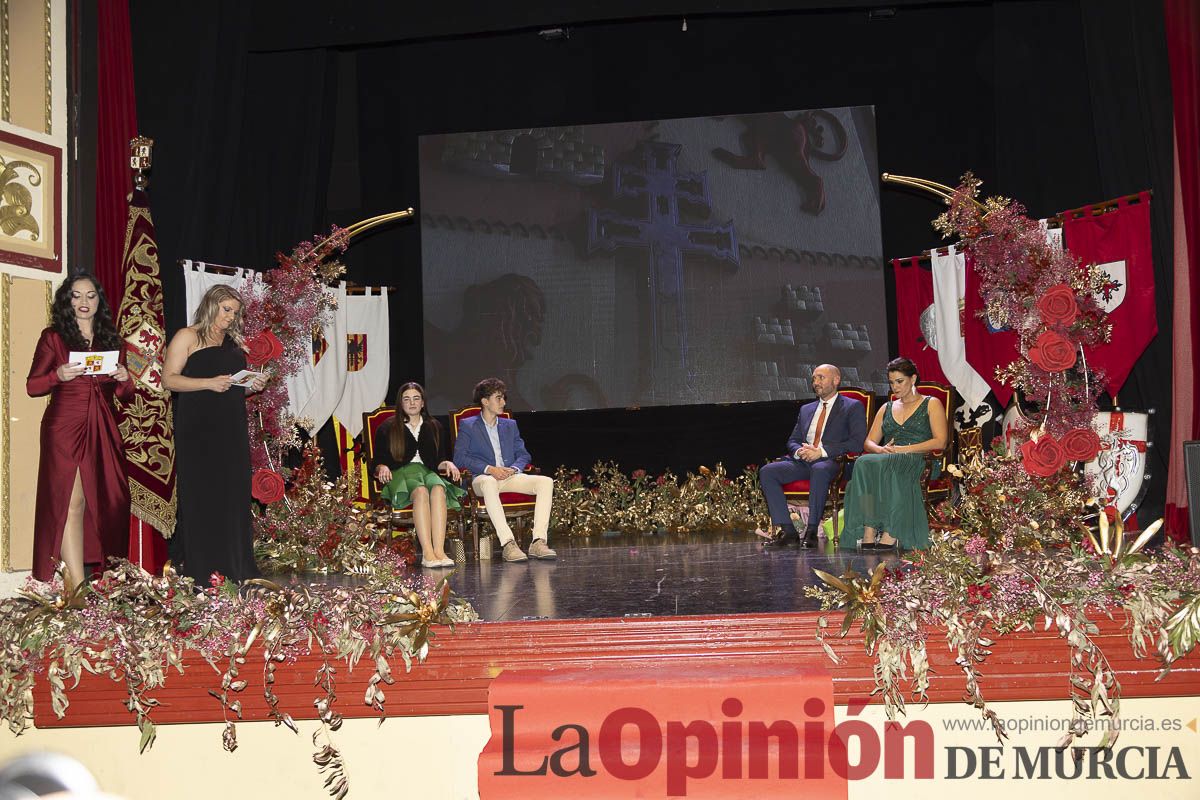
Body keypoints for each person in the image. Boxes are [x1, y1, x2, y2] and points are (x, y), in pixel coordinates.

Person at [26, 273, 134, 590]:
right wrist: (58, 374)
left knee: (109, 502)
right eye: (76, 295)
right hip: (64, 426)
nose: (84, 302)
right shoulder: (54, 338)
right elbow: (32, 386)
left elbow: (125, 395)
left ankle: (109, 579)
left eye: (91, 295)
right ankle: (75, 588)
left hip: (104, 427)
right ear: (67, 301)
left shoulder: (114, 342)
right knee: (70, 504)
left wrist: (126, 377)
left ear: (99, 301)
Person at [162, 284, 267, 584]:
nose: (231, 316)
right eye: (226, 309)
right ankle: (203, 570)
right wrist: (208, 383)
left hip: (230, 428)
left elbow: (229, 388)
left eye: (235, 312)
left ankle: (236, 568)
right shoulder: (188, 336)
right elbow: (169, 380)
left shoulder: (233, 343)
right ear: (211, 305)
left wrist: (249, 387)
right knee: (203, 496)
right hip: (198, 430)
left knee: (233, 496)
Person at [843, 356, 948, 551]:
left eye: (899, 381)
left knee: (890, 463)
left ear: (913, 379)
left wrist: (903, 449)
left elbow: (940, 442)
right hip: (889, 457)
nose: (895, 387)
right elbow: (868, 443)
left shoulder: (931, 403)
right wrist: (881, 449)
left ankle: (892, 531)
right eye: (891, 383)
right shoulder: (887, 407)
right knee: (864, 462)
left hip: (920, 460)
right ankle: (869, 528)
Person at [758, 364, 866, 549]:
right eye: (814, 379)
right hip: (804, 461)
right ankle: (789, 532)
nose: (815, 383)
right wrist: (800, 451)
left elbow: (856, 443)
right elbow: (793, 440)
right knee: (768, 472)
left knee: (820, 468)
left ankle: (812, 531)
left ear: (836, 380)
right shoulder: (806, 409)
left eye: (821, 378)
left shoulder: (852, 406)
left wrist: (821, 452)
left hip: (832, 462)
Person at [453, 378, 556, 562]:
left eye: (503, 398)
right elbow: (460, 458)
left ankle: (538, 541)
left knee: (545, 482)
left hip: (509, 476)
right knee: (490, 482)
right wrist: (490, 469)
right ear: (485, 401)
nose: (503, 402)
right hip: (482, 479)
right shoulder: (468, 425)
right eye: (498, 398)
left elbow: (524, 454)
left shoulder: (510, 425)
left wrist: (514, 468)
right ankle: (508, 543)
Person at [371, 382, 467, 568]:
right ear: (401, 403)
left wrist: (448, 463)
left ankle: (439, 550)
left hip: (427, 471)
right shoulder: (387, 427)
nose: (412, 403)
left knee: (439, 488)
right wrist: (382, 466)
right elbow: (377, 461)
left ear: (423, 403)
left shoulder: (435, 426)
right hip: (400, 473)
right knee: (421, 491)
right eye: (407, 399)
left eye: (416, 398)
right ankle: (428, 553)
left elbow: (439, 459)